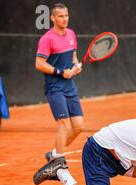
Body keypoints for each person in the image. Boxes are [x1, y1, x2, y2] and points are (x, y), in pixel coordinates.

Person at [35, 3, 84, 163]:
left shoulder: (71, 34)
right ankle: (59, 163)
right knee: (64, 125)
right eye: (60, 16)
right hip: (54, 88)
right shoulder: (47, 39)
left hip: (70, 87)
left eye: (66, 15)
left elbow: (73, 57)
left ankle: (55, 153)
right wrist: (61, 72)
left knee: (78, 126)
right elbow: (39, 64)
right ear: (53, 18)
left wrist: (75, 67)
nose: (64, 19)